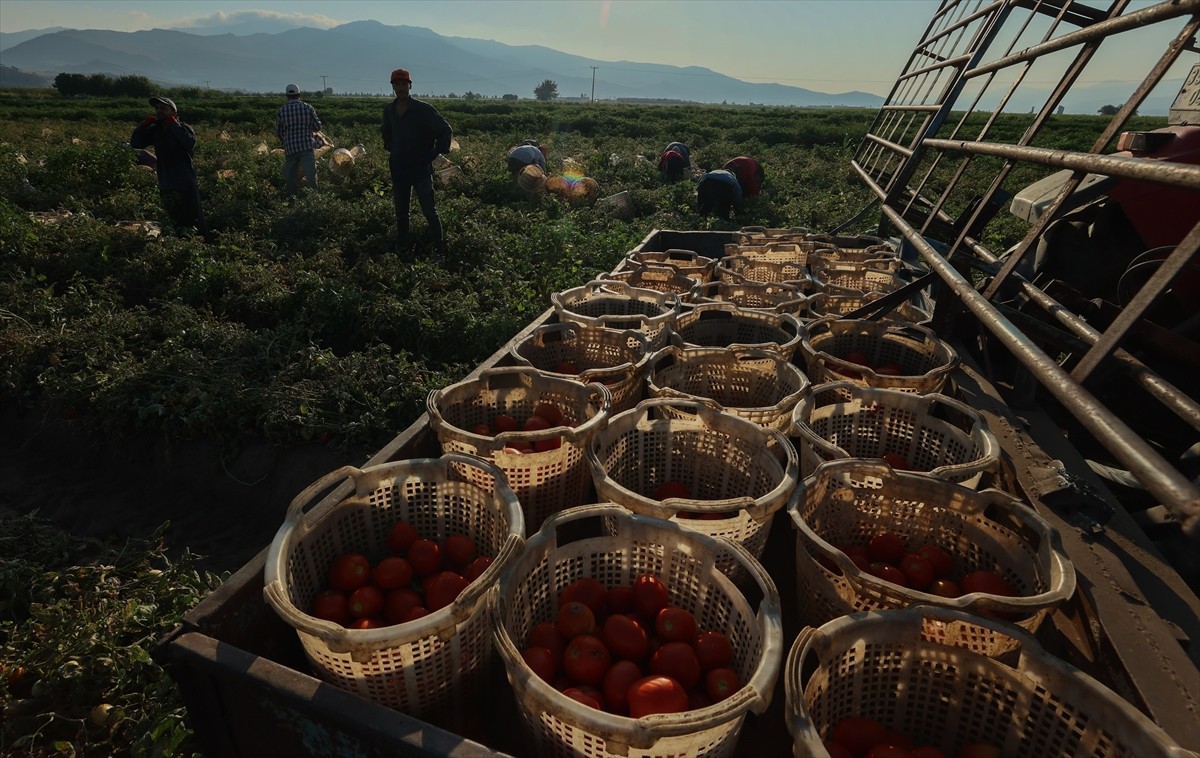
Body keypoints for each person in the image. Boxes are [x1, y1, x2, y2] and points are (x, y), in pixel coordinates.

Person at [381, 67, 453, 257]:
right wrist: (392, 147)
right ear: (393, 87)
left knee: (430, 212)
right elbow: (386, 132)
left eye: (404, 84)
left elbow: (445, 131)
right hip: (398, 168)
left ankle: (440, 251)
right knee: (401, 214)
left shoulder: (423, 110)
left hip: (421, 169)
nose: (400, 87)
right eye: (397, 84)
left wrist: (434, 153)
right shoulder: (389, 110)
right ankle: (402, 248)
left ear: (410, 86)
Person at [130, 95, 213, 243]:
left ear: (173, 112)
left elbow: (189, 144)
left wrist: (174, 125)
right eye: (157, 108)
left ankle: (204, 245)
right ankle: (183, 245)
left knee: (194, 218)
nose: (159, 111)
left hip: (185, 182)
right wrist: (143, 126)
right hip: (166, 182)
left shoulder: (184, 128)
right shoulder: (155, 130)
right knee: (176, 219)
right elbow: (136, 144)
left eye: (163, 108)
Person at [275, 83, 322, 196]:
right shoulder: (308, 108)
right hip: (306, 146)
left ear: (287, 95)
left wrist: (286, 141)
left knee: (291, 175)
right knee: (311, 174)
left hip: (290, 148)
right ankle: (314, 198)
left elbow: (278, 132)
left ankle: (291, 198)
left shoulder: (282, 110)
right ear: (299, 94)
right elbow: (317, 127)